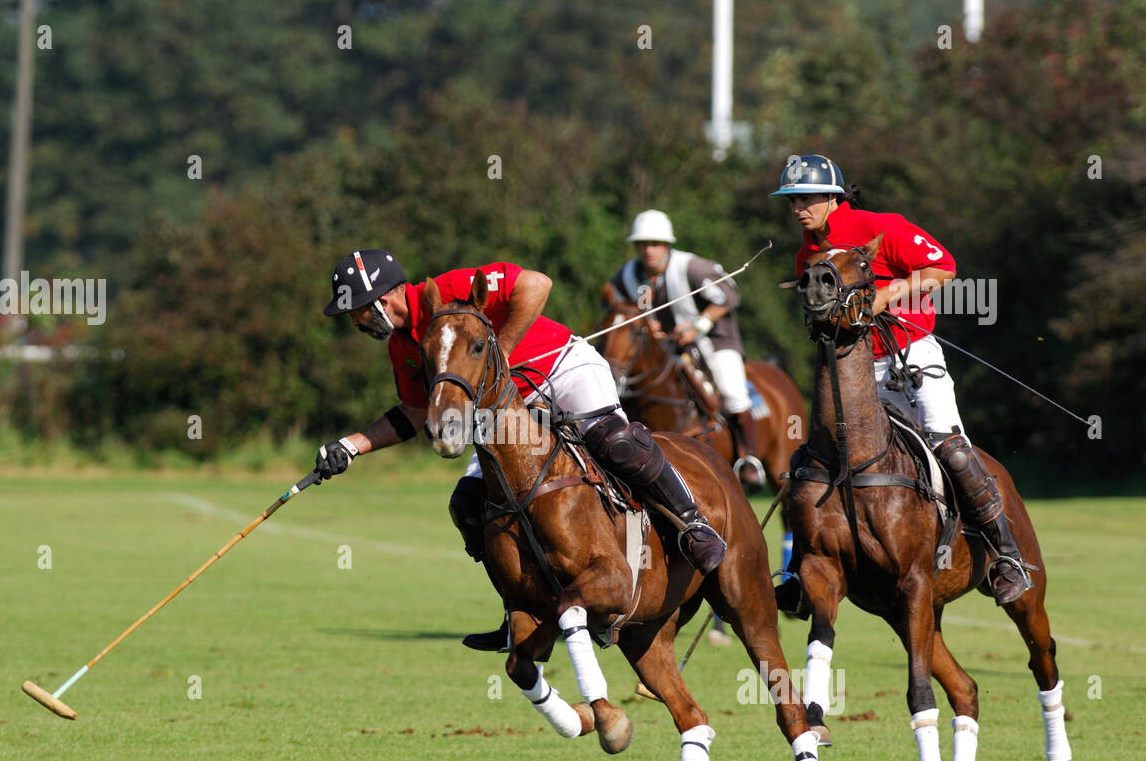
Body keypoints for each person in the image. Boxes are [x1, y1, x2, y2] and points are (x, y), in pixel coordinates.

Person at [316, 249, 729, 655]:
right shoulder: (402, 347)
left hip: (561, 368)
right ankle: (521, 607)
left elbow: (536, 284)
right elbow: (412, 411)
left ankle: (694, 528)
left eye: (356, 312)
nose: (355, 322)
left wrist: (502, 354)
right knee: (468, 504)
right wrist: (351, 445)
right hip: (510, 410)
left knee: (617, 445)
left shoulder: (452, 288)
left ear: (382, 299)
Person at [770, 154, 1031, 605]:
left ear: (834, 198)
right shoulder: (805, 256)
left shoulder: (883, 227)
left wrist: (890, 291)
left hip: (909, 354)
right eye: (791, 199)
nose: (798, 207)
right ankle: (798, 573)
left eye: (806, 197)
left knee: (950, 447)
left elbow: (943, 268)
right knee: (814, 459)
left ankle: (1004, 554)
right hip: (853, 370)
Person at [606, 209, 767, 489]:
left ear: (668, 245)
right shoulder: (628, 275)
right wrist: (647, 323)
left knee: (732, 391)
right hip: (665, 348)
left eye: (655, 243)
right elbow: (615, 301)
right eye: (642, 244)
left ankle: (748, 458)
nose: (649, 250)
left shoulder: (693, 267)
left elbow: (730, 295)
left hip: (712, 340)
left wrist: (698, 324)